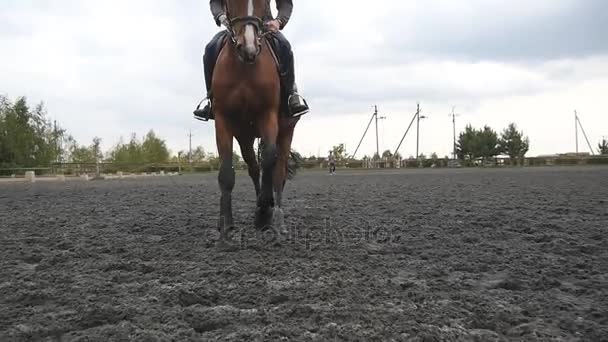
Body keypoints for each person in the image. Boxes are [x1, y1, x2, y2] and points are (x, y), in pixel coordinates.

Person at [194, 0, 310, 122]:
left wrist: (279, 21)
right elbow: (215, 2)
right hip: (235, 25)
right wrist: (221, 16)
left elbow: (285, 3)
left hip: (263, 24)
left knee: (285, 46)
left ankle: (291, 95)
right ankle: (210, 99)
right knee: (210, 48)